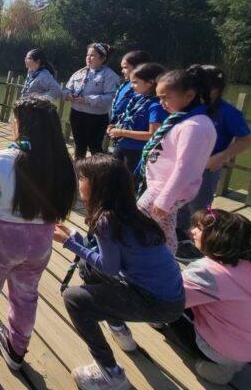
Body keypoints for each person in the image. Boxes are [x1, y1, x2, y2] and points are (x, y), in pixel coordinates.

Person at [0, 98, 77, 378]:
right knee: (26, 297)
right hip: (40, 246)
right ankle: (17, 350)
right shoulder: (63, 164)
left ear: (21, 126)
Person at [56, 155, 185, 390]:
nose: (79, 181)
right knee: (87, 266)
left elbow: (109, 267)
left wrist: (70, 244)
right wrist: (76, 237)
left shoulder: (106, 220)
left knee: (73, 299)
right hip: (169, 295)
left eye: (83, 177)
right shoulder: (127, 211)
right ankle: (119, 330)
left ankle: (110, 374)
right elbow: (104, 255)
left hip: (158, 304)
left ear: (98, 186)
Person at [167, 208, 251, 385]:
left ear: (218, 238)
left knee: (166, 308)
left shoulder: (207, 271)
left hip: (221, 352)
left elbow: (169, 298)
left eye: (199, 228)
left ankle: (220, 368)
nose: (192, 231)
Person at [175, 65, 251, 262]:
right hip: (183, 166)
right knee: (179, 203)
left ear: (216, 88)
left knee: (200, 207)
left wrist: (221, 157)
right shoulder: (187, 107)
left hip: (206, 168)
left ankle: (200, 244)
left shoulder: (228, 112)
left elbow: (246, 139)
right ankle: (180, 237)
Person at [135, 67, 217, 254]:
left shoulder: (194, 126)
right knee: (164, 227)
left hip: (165, 190)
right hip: (162, 186)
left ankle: (155, 258)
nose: (162, 103)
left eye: (166, 97)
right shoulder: (183, 120)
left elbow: (185, 167)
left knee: (138, 219)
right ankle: (166, 256)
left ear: (189, 95)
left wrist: (165, 200)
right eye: (159, 98)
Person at [107, 62, 167, 175]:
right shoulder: (139, 98)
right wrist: (117, 127)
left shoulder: (156, 106)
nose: (131, 86)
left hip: (136, 152)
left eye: (135, 82)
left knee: (128, 184)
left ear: (150, 83)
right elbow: (130, 119)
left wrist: (121, 132)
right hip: (121, 146)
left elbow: (152, 135)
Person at [63, 43, 121, 159]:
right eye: (87, 55)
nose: (88, 58)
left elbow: (111, 97)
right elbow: (67, 89)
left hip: (95, 117)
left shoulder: (110, 75)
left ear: (103, 58)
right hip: (76, 113)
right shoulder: (79, 73)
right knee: (79, 145)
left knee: (95, 147)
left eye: (93, 56)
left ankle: (98, 174)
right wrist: (68, 95)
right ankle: (79, 171)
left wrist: (87, 100)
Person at [111, 51, 152, 125]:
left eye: (125, 67)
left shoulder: (144, 90)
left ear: (139, 67)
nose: (122, 71)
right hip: (117, 128)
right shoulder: (125, 85)